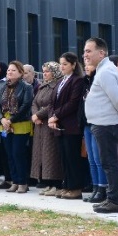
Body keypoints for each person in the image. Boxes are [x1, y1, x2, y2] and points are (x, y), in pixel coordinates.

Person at [82, 38, 118, 213]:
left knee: (109, 164)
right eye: (85, 51)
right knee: (107, 163)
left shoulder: (106, 72)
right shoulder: (103, 70)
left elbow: (117, 98)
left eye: (89, 51)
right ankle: (111, 198)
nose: (85, 55)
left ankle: (114, 201)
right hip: (101, 123)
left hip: (107, 124)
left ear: (101, 53)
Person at [48, 52, 88, 199]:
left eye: (65, 64)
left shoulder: (77, 80)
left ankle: (75, 188)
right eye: (61, 64)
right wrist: (52, 117)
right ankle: (67, 185)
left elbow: (73, 102)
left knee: (73, 158)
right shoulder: (61, 81)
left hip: (71, 125)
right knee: (64, 158)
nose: (62, 67)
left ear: (73, 65)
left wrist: (56, 116)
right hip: (59, 125)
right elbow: (52, 102)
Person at [0, 61, 34, 192]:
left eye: (13, 70)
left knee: (18, 153)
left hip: (20, 123)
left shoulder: (26, 87)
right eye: (8, 70)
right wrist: (2, 119)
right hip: (5, 125)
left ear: (20, 73)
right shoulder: (4, 86)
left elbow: (26, 105)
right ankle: (15, 181)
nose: (10, 72)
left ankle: (23, 182)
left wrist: (11, 120)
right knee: (9, 155)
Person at [31, 62, 64, 193]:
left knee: (51, 154)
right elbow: (34, 102)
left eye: (47, 71)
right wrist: (35, 115)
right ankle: (47, 183)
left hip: (49, 124)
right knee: (41, 154)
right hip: (40, 125)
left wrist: (38, 114)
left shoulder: (57, 85)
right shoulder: (42, 86)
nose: (44, 74)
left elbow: (52, 104)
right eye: (43, 71)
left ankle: (55, 184)